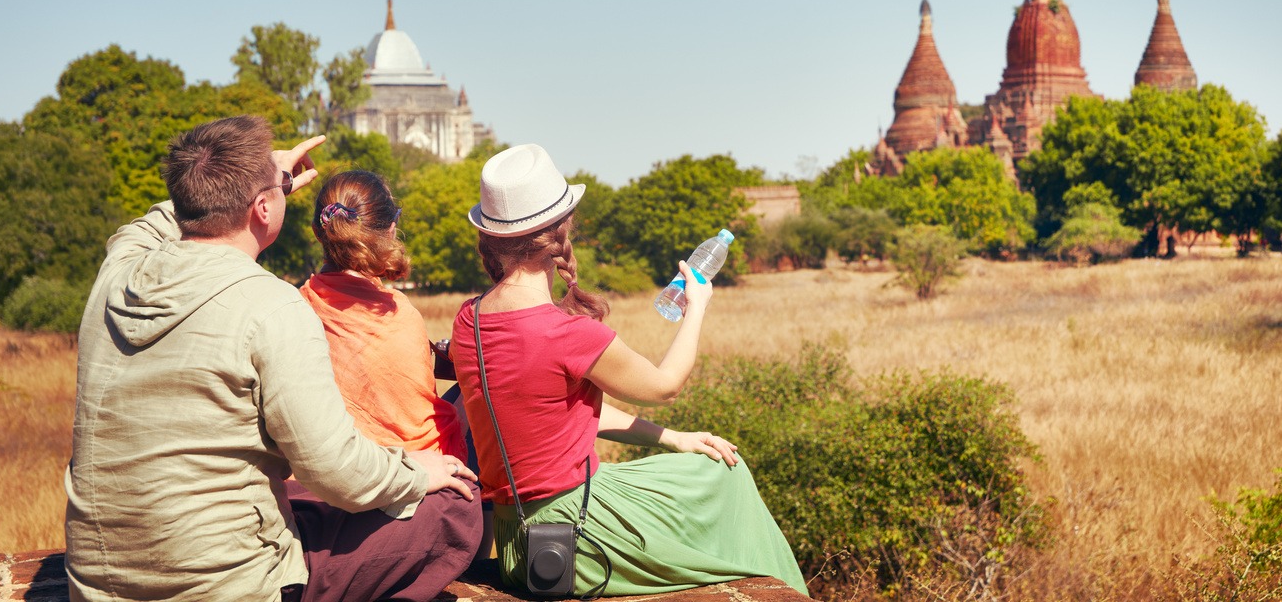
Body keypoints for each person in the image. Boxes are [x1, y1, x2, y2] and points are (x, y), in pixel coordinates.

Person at [66, 116, 481, 602]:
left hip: (95, 585)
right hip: (228, 585)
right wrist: (418, 472)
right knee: (455, 507)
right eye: (278, 189)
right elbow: (337, 472)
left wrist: (236, 178)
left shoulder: (116, 277)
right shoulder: (273, 306)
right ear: (264, 208)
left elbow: (145, 227)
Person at [450, 144, 808, 597]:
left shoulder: (470, 319)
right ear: (562, 230)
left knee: (699, 463)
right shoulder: (565, 332)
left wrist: (674, 439)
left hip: (518, 537)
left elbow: (552, 416)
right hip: (574, 531)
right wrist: (696, 305)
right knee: (726, 475)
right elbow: (665, 386)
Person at [299, 169, 486, 558]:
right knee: (477, 396)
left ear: (320, 232)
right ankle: (478, 559)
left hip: (332, 478)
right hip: (410, 478)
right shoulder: (402, 314)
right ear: (391, 228)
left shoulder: (297, 304)